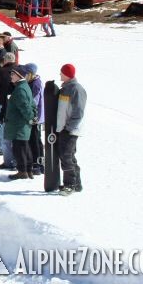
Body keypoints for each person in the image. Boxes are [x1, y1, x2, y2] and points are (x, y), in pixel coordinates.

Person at [56, 63, 86, 195]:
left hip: (70, 130)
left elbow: (78, 112)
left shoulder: (76, 89)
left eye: (62, 72)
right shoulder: (66, 88)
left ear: (67, 74)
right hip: (65, 128)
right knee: (70, 156)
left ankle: (70, 185)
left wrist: (69, 128)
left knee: (66, 156)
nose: (60, 74)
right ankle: (77, 183)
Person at [4, 65, 35, 180]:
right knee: (24, 147)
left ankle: (22, 171)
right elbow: (32, 105)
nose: (11, 76)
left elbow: (26, 107)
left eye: (13, 74)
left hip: (19, 125)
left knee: (19, 148)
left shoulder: (20, 89)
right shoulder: (23, 86)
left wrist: (31, 118)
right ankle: (28, 170)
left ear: (19, 75)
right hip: (21, 124)